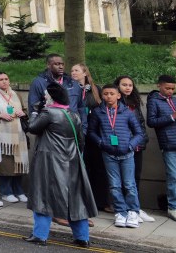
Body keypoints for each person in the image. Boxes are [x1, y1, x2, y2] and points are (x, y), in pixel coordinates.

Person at [24, 83, 98, 247]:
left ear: (51, 97)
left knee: (44, 195)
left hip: (49, 161)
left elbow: (32, 128)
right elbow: (81, 141)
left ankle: (40, 235)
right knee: (75, 198)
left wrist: (35, 111)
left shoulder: (48, 112)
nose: (44, 98)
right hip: (72, 160)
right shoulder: (73, 115)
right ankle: (82, 237)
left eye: (46, 96)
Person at [88, 82, 145, 229]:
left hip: (127, 154)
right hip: (109, 154)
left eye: (112, 94)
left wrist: (131, 145)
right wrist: (101, 143)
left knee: (129, 184)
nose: (108, 96)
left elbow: (139, 133)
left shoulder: (127, 112)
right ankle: (120, 212)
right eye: (105, 94)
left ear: (118, 95)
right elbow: (91, 132)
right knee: (114, 185)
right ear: (102, 96)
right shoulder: (98, 112)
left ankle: (133, 211)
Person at [147, 74, 176, 223]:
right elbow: (151, 121)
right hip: (169, 143)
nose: (170, 91)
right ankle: (173, 207)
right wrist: (173, 116)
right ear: (159, 86)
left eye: (173, 88)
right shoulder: (154, 101)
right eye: (167, 88)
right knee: (173, 176)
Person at [115, 74, 153, 223]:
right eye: (124, 85)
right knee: (125, 179)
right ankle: (126, 208)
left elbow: (141, 123)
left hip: (137, 145)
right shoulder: (116, 102)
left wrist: (143, 140)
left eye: (130, 85)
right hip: (124, 145)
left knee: (136, 177)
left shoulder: (134, 102)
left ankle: (135, 208)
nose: (128, 88)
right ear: (118, 86)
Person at [0, 71, 29, 204]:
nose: (4, 81)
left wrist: (22, 113)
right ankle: (6, 192)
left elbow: (24, 110)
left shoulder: (16, 94)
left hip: (19, 134)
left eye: (6, 79)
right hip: (2, 135)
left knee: (18, 163)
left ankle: (19, 190)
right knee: (5, 164)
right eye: (1, 79)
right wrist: (1, 116)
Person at [72, 63, 108, 212]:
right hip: (79, 131)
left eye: (76, 70)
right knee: (81, 166)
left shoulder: (95, 89)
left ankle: (99, 200)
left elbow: (100, 107)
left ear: (85, 73)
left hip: (95, 132)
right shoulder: (71, 89)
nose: (73, 73)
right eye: (72, 70)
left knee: (98, 167)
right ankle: (81, 199)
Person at [28, 53, 84, 130]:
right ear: (48, 65)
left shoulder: (73, 83)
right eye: (57, 64)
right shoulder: (38, 82)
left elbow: (81, 108)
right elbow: (33, 108)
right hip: (50, 132)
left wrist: (83, 129)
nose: (61, 67)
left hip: (72, 129)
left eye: (62, 64)